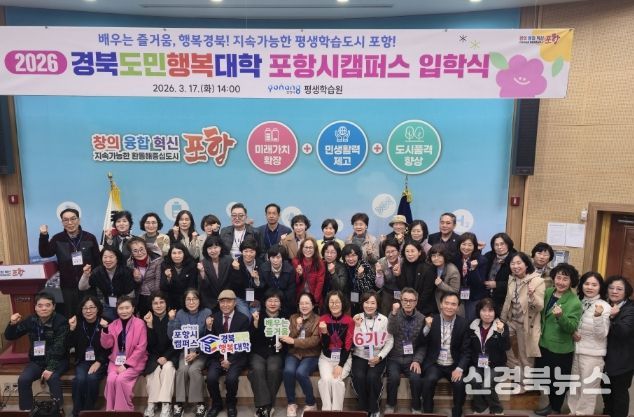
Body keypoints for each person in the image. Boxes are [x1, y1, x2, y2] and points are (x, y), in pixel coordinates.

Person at [5, 291, 69, 411]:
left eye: (48, 305)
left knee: (52, 378)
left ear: (54, 306)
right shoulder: (31, 320)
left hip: (58, 361)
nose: (44, 308)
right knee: (23, 379)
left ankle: (58, 411)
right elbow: (10, 336)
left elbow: (59, 347)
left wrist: (50, 368)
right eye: (40, 305)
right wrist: (12, 324)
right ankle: (27, 411)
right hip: (37, 361)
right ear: (35, 307)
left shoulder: (61, 321)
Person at [534, 263, 582, 416]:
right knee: (547, 379)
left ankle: (555, 409)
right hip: (544, 344)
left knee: (558, 381)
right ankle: (550, 405)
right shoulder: (548, 292)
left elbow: (571, 327)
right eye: (558, 278)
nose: (561, 282)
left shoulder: (574, 302)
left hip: (560, 349)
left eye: (565, 279)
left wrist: (561, 316)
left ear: (571, 281)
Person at [39, 207, 100, 317]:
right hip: (67, 288)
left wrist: (93, 279)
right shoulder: (58, 238)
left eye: (73, 219)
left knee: (89, 315)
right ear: (62, 222)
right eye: (66, 220)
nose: (70, 222)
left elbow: (98, 261)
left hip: (88, 286)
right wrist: (43, 236)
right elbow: (44, 253)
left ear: (78, 220)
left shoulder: (90, 237)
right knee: (70, 316)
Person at [418, 292, 471, 417]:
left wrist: (460, 368)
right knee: (428, 380)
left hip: (454, 364)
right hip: (435, 363)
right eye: (446, 303)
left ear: (457, 307)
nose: (449, 307)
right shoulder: (432, 320)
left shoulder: (463, 324)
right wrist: (427, 327)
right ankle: (427, 412)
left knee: (460, 384)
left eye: (453, 304)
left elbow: (467, 351)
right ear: (441, 304)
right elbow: (420, 342)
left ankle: (457, 412)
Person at [500, 251, 544, 393]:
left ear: (526, 264)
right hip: (512, 321)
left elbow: (539, 307)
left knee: (525, 356)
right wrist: (502, 321)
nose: (515, 266)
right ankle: (516, 371)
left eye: (519, 263)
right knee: (500, 341)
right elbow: (507, 301)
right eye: (512, 263)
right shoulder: (512, 279)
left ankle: (525, 384)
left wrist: (531, 296)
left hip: (526, 324)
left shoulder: (537, 281)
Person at [567, 272, 611, 415]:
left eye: (594, 285)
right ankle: (573, 411)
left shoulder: (604, 306)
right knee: (574, 385)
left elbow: (602, 334)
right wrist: (572, 333)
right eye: (587, 284)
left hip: (593, 354)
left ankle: (584, 413)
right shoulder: (578, 302)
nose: (590, 287)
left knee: (588, 388)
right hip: (576, 350)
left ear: (600, 287)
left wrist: (597, 317)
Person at [205, 289, 250, 417]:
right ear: (218, 303)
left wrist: (230, 360)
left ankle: (231, 404)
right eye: (222, 302)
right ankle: (216, 404)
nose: (225, 305)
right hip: (217, 357)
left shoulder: (243, 319)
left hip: (236, 357)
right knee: (211, 378)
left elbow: (243, 344)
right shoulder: (213, 318)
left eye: (228, 301)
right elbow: (210, 342)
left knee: (231, 379)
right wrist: (208, 328)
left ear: (235, 303)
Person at [168, 289, 212, 417]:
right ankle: (179, 403)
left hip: (202, 351)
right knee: (182, 370)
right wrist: (172, 320)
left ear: (200, 300)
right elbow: (172, 336)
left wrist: (197, 352)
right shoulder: (180, 313)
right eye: (188, 299)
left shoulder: (207, 312)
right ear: (184, 301)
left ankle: (200, 403)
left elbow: (210, 339)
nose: (191, 302)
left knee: (193, 370)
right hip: (185, 351)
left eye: (194, 299)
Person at [100, 296, 148, 411]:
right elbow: (106, 345)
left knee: (121, 379)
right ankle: (111, 410)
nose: (124, 311)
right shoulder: (113, 324)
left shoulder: (140, 323)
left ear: (133, 308)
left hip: (134, 362)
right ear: (117, 310)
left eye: (127, 308)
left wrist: (126, 365)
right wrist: (105, 329)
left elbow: (141, 348)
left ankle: (124, 411)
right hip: (115, 361)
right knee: (111, 380)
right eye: (121, 308)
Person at [350, 291, 393, 417]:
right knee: (359, 376)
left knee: (372, 377)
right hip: (360, 355)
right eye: (366, 302)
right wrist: (356, 326)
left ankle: (374, 408)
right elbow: (353, 340)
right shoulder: (357, 317)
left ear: (377, 304)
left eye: (373, 303)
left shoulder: (384, 319)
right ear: (362, 304)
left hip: (377, 356)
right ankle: (363, 409)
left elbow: (390, 341)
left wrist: (379, 357)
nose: (369, 306)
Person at [465, 298, 509, 415]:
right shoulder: (472, 326)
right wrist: (474, 362)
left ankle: (496, 409)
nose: (487, 314)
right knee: (474, 380)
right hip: (477, 364)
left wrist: (501, 332)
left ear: (495, 312)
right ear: (479, 311)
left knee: (487, 385)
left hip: (497, 365)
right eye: (484, 310)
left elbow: (506, 347)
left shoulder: (501, 325)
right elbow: (468, 348)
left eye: (490, 310)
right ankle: (480, 408)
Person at [385, 287, 425, 413]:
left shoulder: (421, 318)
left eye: (411, 301)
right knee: (393, 378)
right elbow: (391, 330)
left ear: (416, 302)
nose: (408, 303)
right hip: (394, 357)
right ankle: (390, 405)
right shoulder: (394, 314)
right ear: (401, 301)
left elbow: (423, 344)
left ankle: (416, 407)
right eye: (405, 300)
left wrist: (417, 360)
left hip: (411, 358)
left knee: (416, 378)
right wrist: (394, 313)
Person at [67, 296, 109, 417]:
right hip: (83, 361)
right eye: (85, 308)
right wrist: (72, 329)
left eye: (92, 307)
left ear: (98, 309)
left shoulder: (105, 323)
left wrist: (99, 362)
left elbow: (110, 347)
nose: (88, 311)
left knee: (92, 378)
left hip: (101, 361)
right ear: (81, 310)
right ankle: (77, 412)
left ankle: (88, 411)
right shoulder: (78, 324)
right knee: (79, 379)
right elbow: (68, 345)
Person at [281, 292, 321, 417]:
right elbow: (287, 337)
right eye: (301, 303)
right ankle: (291, 403)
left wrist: (294, 341)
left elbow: (314, 341)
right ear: (298, 305)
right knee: (288, 371)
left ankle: (311, 403)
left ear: (313, 305)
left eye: (307, 303)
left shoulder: (318, 320)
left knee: (301, 372)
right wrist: (297, 328)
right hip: (294, 353)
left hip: (311, 354)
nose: (304, 306)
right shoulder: (293, 318)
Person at [248, 289, 287, 417]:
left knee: (274, 369)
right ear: (264, 302)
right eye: (270, 300)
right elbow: (250, 339)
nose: (273, 303)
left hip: (276, 352)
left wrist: (282, 344)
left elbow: (290, 338)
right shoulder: (257, 316)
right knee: (257, 369)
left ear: (280, 303)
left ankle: (266, 407)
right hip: (258, 352)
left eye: (276, 301)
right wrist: (255, 324)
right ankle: (264, 406)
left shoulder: (285, 317)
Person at [602, 276, 634, 417]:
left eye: (619, 289)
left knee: (619, 395)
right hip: (606, 359)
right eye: (611, 288)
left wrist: (612, 317)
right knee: (607, 392)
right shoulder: (605, 305)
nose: (614, 291)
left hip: (622, 361)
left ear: (626, 292)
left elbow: (623, 331)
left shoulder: (630, 309)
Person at [317, 290, 354, 411]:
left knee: (336, 381)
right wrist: (324, 333)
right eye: (331, 302)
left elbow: (348, 346)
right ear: (328, 304)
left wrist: (340, 365)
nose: (334, 305)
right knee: (325, 381)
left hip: (343, 359)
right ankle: (326, 410)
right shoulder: (323, 319)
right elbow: (324, 345)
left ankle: (337, 411)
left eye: (337, 302)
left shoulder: (349, 321)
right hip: (326, 358)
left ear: (342, 303)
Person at [143, 292, 179, 417]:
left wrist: (166, 357)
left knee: (168, 368)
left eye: (161, 302)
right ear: (151, 305)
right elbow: (150, 345)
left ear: (166, 303)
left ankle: (166, 405)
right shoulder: (148, 319)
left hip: (171, 354)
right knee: (154, 370)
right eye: (155, 303)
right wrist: (149, 325)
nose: (158, 306)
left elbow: (177, 342)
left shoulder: (173, 317)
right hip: (154, 355)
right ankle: (151, 403)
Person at [78, 246, 136, 320]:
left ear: (117, 258)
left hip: (124, 306)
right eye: (105, 257)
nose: (108, 260)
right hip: (107, 304)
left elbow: (131, 295)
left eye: (111, 257)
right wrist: (85, 275)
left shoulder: (126, 272)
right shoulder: (97, 272)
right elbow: (82, 287)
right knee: (107, 323)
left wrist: (124, 308)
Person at [453, 232, 488, 322]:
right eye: (463, 244)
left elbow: (479, 283)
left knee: (470, 320)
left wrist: (473, 269)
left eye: (470, 245)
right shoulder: (455, 258)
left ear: (474, 246)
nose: (466, 247)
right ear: (459, 245)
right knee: (458, 319)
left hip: (474, 296)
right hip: (458, 294)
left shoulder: (481, 260)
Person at [127, 237, 163, 318]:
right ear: (131, 253)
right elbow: (133, 285)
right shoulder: (130, 264)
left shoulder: (157, 261)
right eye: (135, 251)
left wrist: (156, 298)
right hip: (140, 296)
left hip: (155, 294)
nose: (139, 253)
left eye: (141, 249)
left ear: (146, 248)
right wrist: (137, 279)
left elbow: (158, 281)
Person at [197, 235, 234, 312]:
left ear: (221, 248)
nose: (213, 251)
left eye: (215, 247)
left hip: (227, 300)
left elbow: (233, 281)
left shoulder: (229, 260)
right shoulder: (203, 263)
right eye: (210, 248)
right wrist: (202, 272)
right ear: (206, 250)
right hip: (210, 303)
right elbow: (203, 287)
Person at [258, 244, 296, 316]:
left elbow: (291, 291)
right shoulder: (263, 268)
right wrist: (269, 302)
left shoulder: (290, 270)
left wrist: (279, 302)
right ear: (269, 258)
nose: (275, 260)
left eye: (278, 257)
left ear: (283, 258)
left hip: (285, 302)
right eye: (273, 257)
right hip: (268, 302)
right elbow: (262, 289)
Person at [228, 237, 262, 317]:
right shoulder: (235, 264)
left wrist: (258, 299)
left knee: (255, 317)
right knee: (246, 318)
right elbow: (234, 286)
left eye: (251, 251)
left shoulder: (260, 264)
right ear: (241, 252)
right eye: (245, 251)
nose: (248, 254)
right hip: (240, 297)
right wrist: (237, 271)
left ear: (256, 252)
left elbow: (264, 286)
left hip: (256, 298)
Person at [484, 233, 517, 314]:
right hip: (487, 298)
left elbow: (517, 282)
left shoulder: (515, 258)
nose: (499, 247)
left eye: (502, 244)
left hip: (506, 300)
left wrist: (497, 285)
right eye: (496, 245)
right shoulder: (489, 256)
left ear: (508, 244)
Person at [160, 241, 197, 310]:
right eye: (174, 253)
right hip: (171, 300)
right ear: (170, 254)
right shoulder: (165, 265)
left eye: (180, 253)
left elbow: (192, 286)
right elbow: (163, 287)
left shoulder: (191, 264)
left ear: (184, 253)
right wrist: (168, 278)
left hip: (187, 299)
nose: (177, 256)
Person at [429, 244, 463, 317]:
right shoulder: (432, 267)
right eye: (433, 256)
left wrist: (441, 284)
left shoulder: (453, 271)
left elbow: (455, 291)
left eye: (439, 256)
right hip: (435, 304)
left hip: (449, 307)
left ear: (445, 256)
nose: (436, 258)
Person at [341, 243, 376, 315]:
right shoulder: (344, 266)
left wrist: (360, 277)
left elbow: (367, 289)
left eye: (354, 255)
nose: (351, 259)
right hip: (349, 299)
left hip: (364, 300)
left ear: (358, 256)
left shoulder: (365, 266)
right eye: (348, 256)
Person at [293, 237, 325, 307]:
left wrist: (314, 300)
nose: (308, 250)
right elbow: (294, 283)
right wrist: (300, 275)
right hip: (299, 296)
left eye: (311, 248)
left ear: (315, 249)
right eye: (306, 247)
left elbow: (320, 282)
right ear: (302, 248)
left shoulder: (320, 263)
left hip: (314, 296)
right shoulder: (296, 261)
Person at [375, 238, 404, 316]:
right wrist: (379, 273)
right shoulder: (381, 263)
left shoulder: (403, 262)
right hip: (387, 292)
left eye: (393, 251)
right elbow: (379, 285)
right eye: (387, 252)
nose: (390, 255)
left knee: (400, 315)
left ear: (398, 251)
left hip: (402, 292)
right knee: (385, 314)